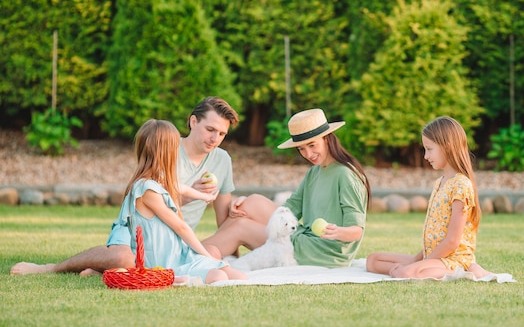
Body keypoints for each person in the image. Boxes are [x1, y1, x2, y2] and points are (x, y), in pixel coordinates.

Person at [11, 96, 239, 276]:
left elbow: (221, 217)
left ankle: (104, 272)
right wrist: (194, 194)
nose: (215, 138)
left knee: (211, 252)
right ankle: (51, 267)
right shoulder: (166, 149)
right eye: (210, 130)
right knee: (125, 258)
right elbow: (157, 195)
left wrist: (231, 260)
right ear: (193, 122)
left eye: (222, 134)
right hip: (136, 232)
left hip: (172, 242)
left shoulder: (222, 160)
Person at [202, 108, 371, 268]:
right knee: (250, 203)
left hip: (323, 252)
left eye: (312, 145)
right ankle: (209, 255)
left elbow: (356, 231)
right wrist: (244, 202)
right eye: (301, 149)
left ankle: (191, 256)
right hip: (303, 238)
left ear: (327, 138)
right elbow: (290, 210)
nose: (308, 154)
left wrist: (336, 232)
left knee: (241, 226)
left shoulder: (346, 175)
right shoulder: (315, 172)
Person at [119, 119, 245, 283]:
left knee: (239, 276)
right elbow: (181, 227)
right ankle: (171, 279)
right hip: (164, 264)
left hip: (180, 255)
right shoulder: (146, 189)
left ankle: (183, 277)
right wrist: (207, 257)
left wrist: (205, 196)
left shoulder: (159, 180)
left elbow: (179, 187)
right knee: (219, 275)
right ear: (166, 152)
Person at [366, 116, 492, 279]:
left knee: (407, 272)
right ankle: (416, 268)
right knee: (373, 260)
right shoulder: (439, 183)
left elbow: (452, 241)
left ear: (447, 147)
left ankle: (468, 270)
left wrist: (416, 266)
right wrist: (416, 260)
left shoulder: (461, 185)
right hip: (433, 256)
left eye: (429, 149)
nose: (426, 156)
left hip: (454, 259)